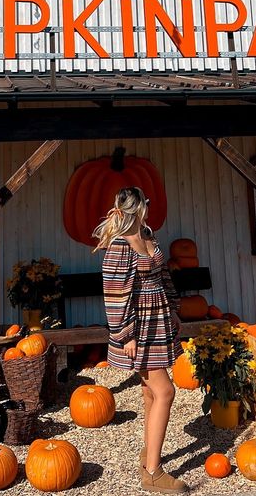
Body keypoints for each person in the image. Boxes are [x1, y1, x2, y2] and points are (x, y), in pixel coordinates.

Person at [94, 186, 187, 494]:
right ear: (139, 207)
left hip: (159, 317)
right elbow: (115, 294)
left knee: (150, 393)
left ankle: (149, 455)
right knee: (166, 391)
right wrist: (126, 334)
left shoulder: (148, 234)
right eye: (146, 203)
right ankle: (153, 472)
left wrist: (173, 309)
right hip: (140, 325)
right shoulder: (120, 246)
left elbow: (163, 276)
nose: (149, 207)